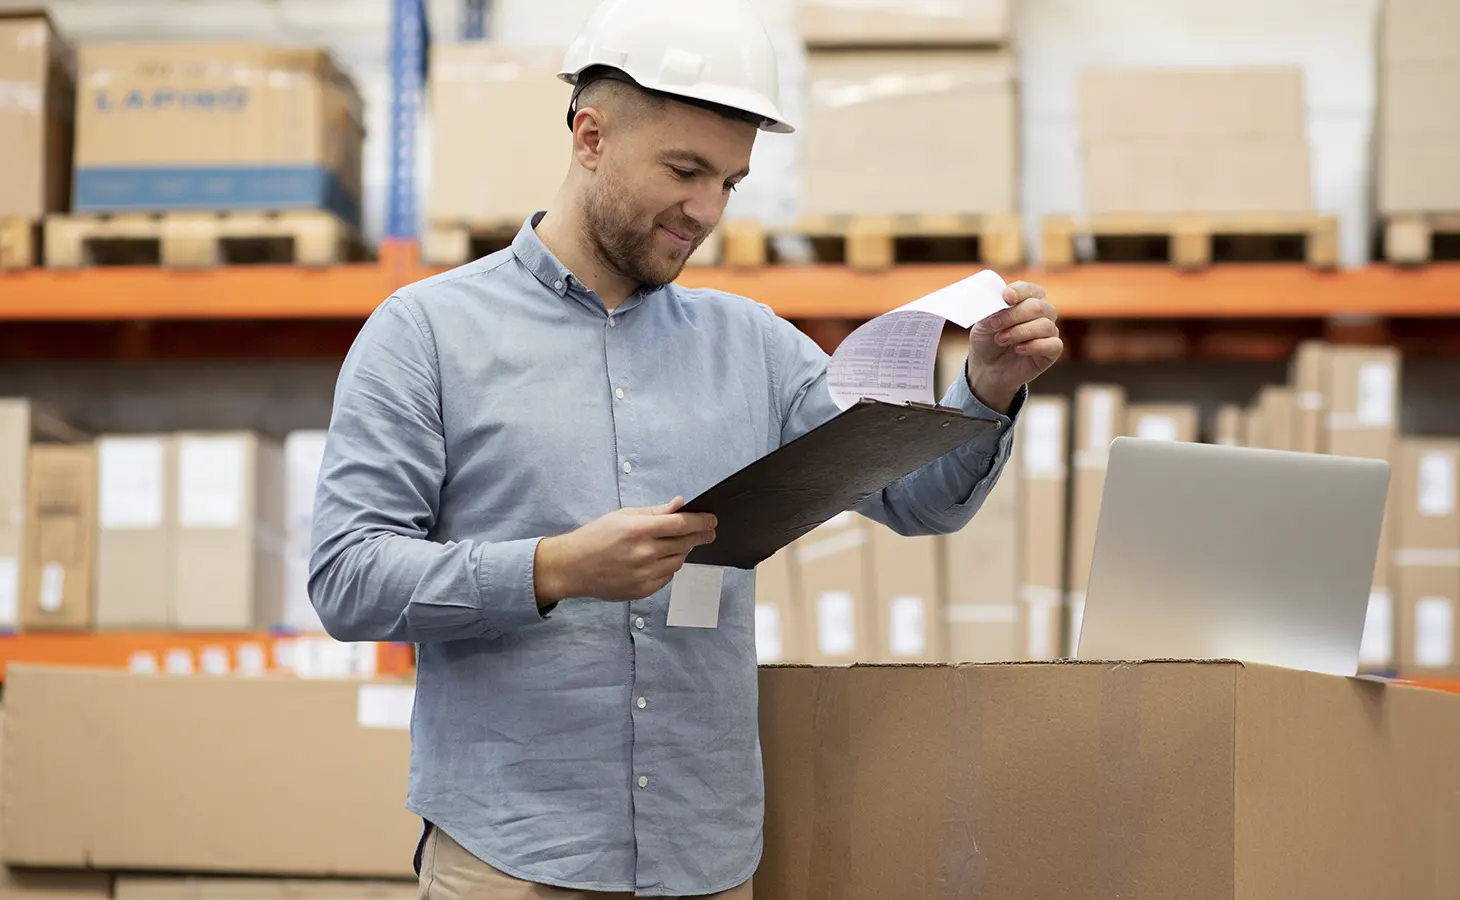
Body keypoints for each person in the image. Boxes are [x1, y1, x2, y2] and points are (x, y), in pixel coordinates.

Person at [307, 0, 1063, 896]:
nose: (705, 209)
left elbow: (917, 501)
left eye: (730, 183)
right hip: (511, 856)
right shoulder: (427, 335)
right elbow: (349, 577)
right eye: (684, 170)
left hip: (703, 857)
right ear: (590, 137)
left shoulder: (756, 347)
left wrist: (983, 388)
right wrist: (552, 568)